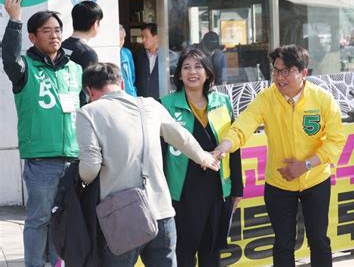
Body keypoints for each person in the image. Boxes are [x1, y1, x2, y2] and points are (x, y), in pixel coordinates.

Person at [76, 62, 221, 267]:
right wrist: (204, 158)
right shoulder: (149, 105)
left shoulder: (88, 112)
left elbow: (90, 168)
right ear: (122, 84)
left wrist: (77, 182)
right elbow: (181, 137)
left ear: (89, 90)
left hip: (121, 216)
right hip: (161, 211)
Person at [214, 45, 345, 267]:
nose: (279, 77)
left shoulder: (322, 99)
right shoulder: (266, 98)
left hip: (315, 180)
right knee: (283, 243)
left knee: (319, 240)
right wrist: (222, 148)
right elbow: (242, 127)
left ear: (303, 73)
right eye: (276, 71)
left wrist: (305, 165)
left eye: (286, 71)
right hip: (279, 183)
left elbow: (336, 141)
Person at [1, 0, 82, 267]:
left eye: (58, 30)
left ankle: (56, 263)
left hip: (73, 159)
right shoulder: (25, 66)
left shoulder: (74, 69)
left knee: (65, 219)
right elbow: (10, 59)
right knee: (39, 219)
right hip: (41, 161)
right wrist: (15, 21)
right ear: (33, 37)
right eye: (46, 31)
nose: (54, 35)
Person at [160, 48, 243, 267]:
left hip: (216, 190)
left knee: (211, 253)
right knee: (183, 254)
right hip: (181, 192)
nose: (192, 72)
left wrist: (237, 189)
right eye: (186, 67)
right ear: (178, 75)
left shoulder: (223, 102)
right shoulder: (165, 105)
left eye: (198, 67)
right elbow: (158, 153)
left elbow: (233, 146)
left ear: (208, 72)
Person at [62, 0, 103, 105]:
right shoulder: (87, 53)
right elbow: (90, 89)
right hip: (78, 108)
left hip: (58, 105)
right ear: (95, 24)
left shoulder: (60, 46)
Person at [135, 22, 162, 99]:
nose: (143, 40)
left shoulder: (169, 57)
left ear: (156, 37)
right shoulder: (139, 56)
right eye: (142, 37)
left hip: (162, 101)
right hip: (142, 101)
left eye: (146, 37)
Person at [119, 24, 137, 96]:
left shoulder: (126, 53)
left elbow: (132, 75)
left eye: (122, 39)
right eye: (117, 39)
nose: (120, 42)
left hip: (130, 93)